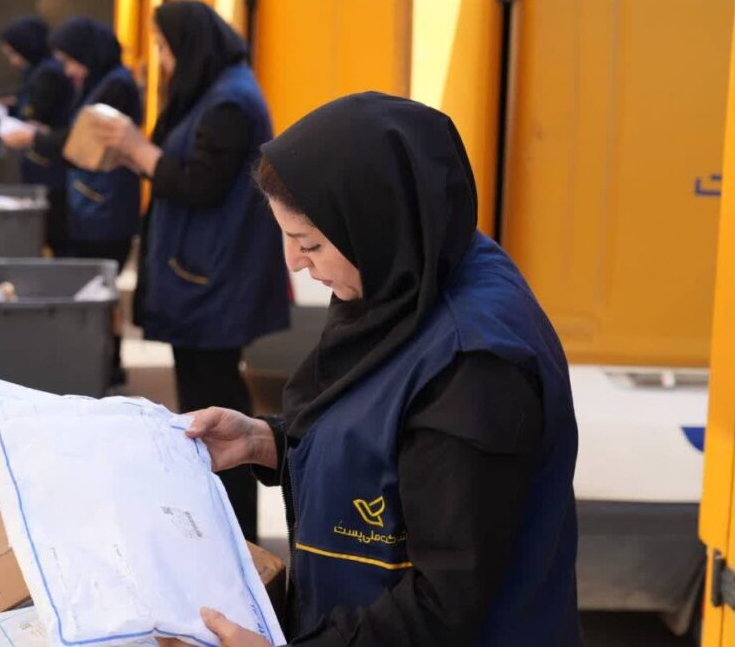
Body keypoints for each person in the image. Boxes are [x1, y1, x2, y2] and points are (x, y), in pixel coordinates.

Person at [183, 94, 582, 646]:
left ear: (372, 221)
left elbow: (444, 605)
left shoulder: (473, 369)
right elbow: (384, 431)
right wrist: (267, 441)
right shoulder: (412, 270)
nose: (294, 262)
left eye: (309, 243)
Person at [89, 0, 290, 543]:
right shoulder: (217, 89)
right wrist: (135, 155)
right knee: (206, 409)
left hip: (213, 280)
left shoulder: (230, 101)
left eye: (163, 46)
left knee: (218, 414)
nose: (162, 58)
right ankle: (220, 528)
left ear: (191, 43)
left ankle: (236, 536)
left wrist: (137, 148)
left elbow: (201, 184)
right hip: (202, 275)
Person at [3, 16, 142, 386]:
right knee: (93, 285)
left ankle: (103, 363)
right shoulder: (102, 80)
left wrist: (34, 139)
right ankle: (99, 360)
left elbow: (83, 140)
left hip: (105, 206)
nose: (68, 71)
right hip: (94, 200)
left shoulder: (115, 86)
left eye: (70, 61)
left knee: (97, 286)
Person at [0, 15, 75, 255]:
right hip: (45, 161)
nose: (13, 61)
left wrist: (2, 121)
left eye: (13, 53)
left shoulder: (48, 74)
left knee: (53, 227)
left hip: (49, 163)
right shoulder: (37, 70)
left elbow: (36, 115)